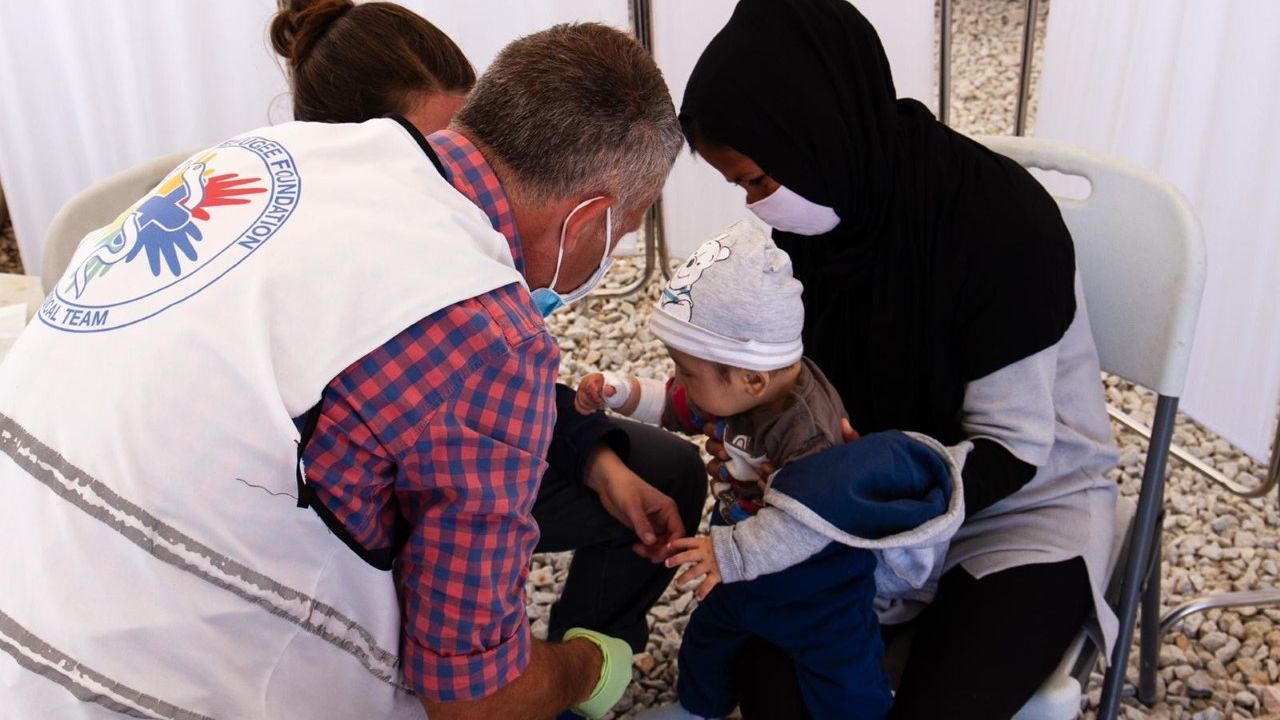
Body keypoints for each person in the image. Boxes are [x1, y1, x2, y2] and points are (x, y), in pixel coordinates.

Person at [0, 21, 684, 720]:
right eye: (623, 232)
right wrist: (589, 666)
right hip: (143, 691)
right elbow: (475, 700)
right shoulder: (488, 325)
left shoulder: (271, 154)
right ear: (589, 219)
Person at [676, 1, 1120, 718]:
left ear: (814, 135)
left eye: (759, 181)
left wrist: (848, 490)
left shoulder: (1002, 227)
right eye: (741, 187)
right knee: (769, 686)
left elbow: (1014, 451)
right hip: (850, 508)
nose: (757, 209)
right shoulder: (824, 218)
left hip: (1016, 509)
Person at [270, 0, 707, 656]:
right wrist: (586, 669)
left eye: (466, 144)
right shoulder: (467, 324)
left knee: (659, 471)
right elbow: (469, 684)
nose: (459, 185)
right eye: (432, 155)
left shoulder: (266, 177)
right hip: (295, 569)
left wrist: (591, 455)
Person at [578, 221, 965, 720]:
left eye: (687, 371)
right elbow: (678, 407)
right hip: (739, 559)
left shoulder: (807, 430)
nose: (679, 380)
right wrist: (621, 392)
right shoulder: (735, 386)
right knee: (708, 640)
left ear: (751, 377)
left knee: (843, 674)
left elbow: (805, 523)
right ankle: (699, 707)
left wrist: (729, 554)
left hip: (815, 583)